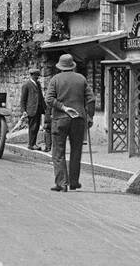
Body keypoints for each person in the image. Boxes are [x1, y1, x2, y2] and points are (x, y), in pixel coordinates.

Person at [46, 53, 95, 192]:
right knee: (76, 151)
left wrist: (63, 107)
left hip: (60, 120)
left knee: (58, 152)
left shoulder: (55, 79)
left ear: (60, 67)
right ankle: (74, 182)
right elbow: (91, 99)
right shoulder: (81, 79)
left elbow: (49, 99)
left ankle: (62, 183)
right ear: (72, 66)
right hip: (78, 120)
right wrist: (90, 117)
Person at [18, 67, 46, 149]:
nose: (37, 77)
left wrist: (45, 108)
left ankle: (34, 143)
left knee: (36, 127)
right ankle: (31, 144)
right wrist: (23, 110)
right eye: (36, 75)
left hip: (38, 109)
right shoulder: (26, 85)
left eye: (38, 76)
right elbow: (23, 99)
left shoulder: (38, 84)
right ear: (31, 75)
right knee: (32, 127)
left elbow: (41, 97)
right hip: (31, 109)